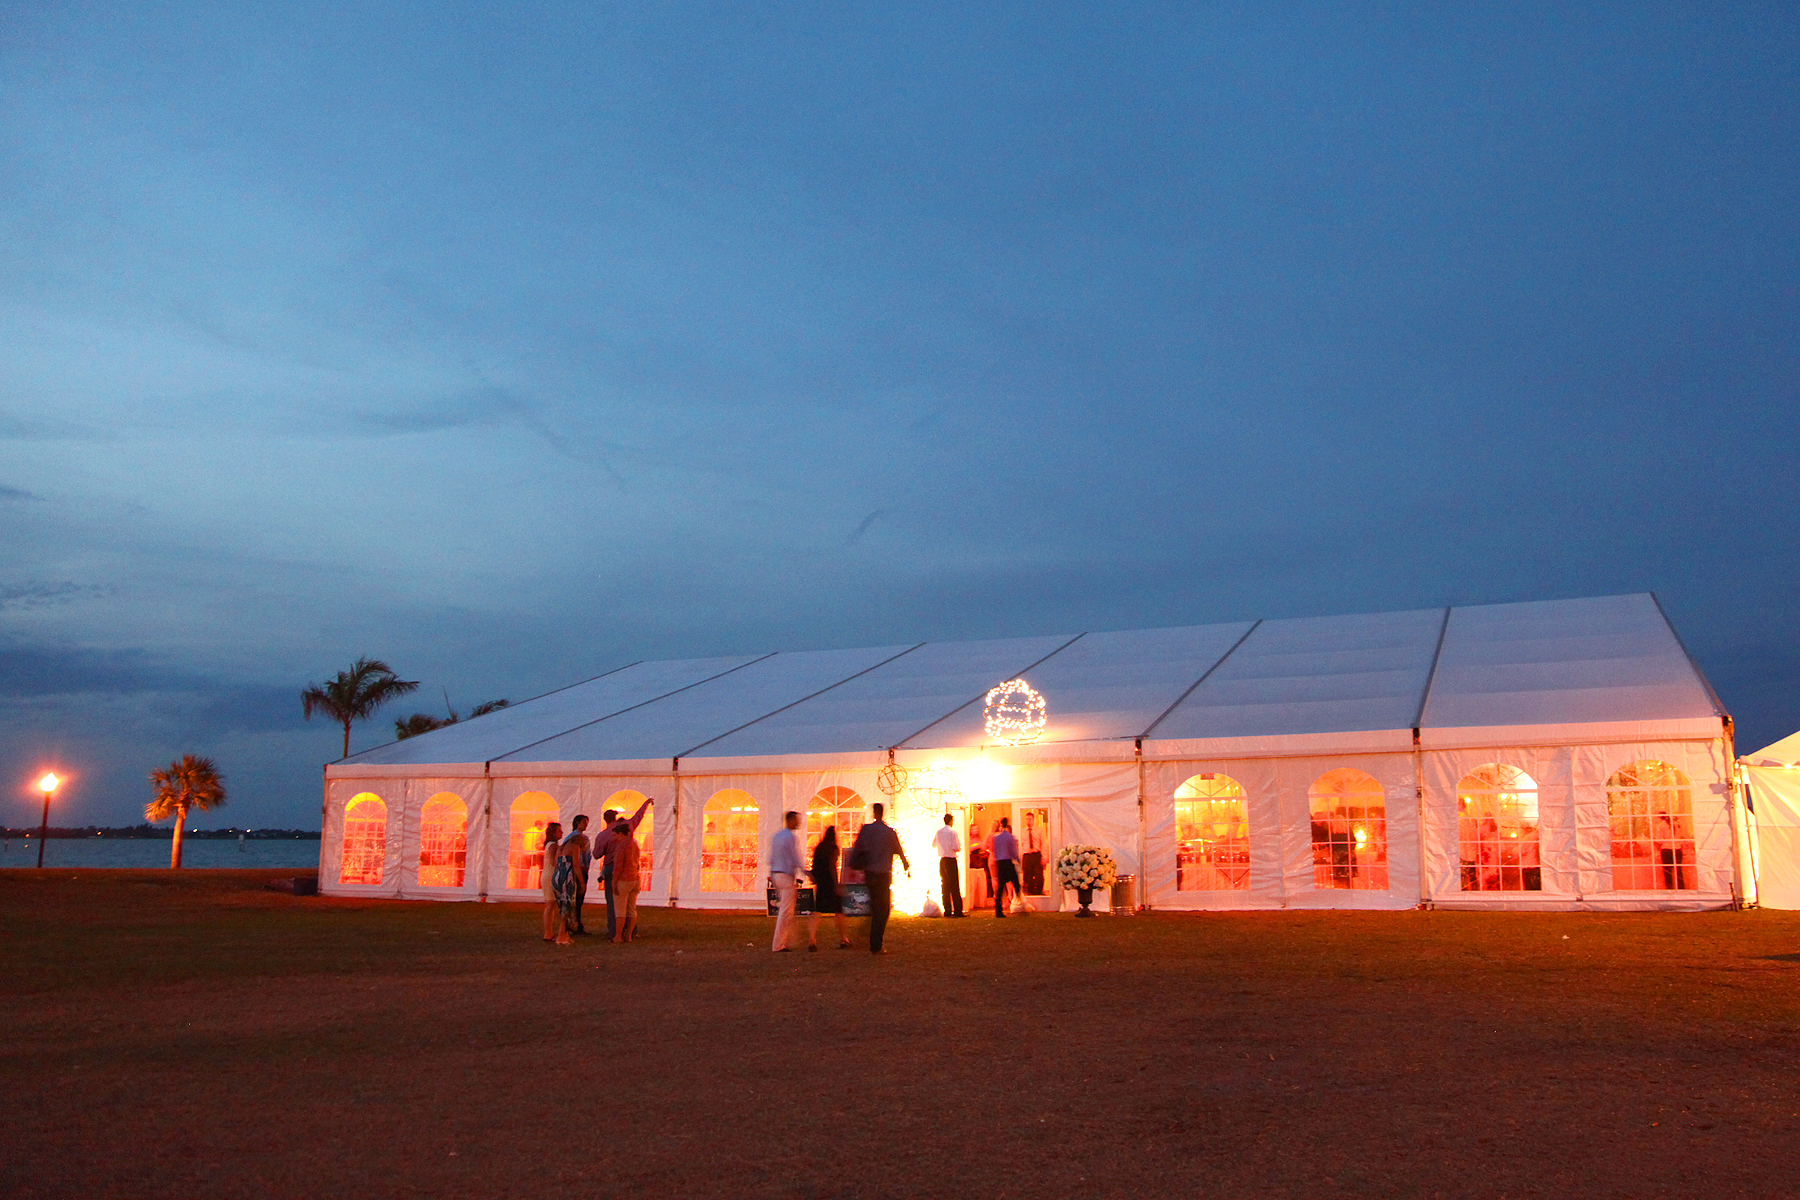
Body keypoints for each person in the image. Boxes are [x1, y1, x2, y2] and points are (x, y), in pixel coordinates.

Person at [848, 801, 909, 953]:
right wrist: (905, 864)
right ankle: (876, 943)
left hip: (870, 873)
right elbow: (899, 850)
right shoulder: (889, 832)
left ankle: (872, 937)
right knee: (883, 909)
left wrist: (855, 864)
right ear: (883, 813)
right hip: (883, 873)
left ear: (873, 813)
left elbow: (857, 848)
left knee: (876, 905)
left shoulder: (866, 830)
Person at [593, 797, 652, 939]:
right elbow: (638, 816)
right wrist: (646, 803)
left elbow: (596, 854)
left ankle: (615, 932)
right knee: (631, 904)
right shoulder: (628, 828)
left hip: (613, 867)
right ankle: (630, 931)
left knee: (614, 901)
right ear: (616, 817)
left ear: (605, 820)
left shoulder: (603, 835)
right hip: (631, 868)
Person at [808, 825, 852, 950]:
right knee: (838, 912)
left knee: (816, 911)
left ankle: (812, 940)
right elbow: (832, 866)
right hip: (830, 882)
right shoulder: (833, 848)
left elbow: (815, 865)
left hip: (821, 883)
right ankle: (844, 939)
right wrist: (836, 884)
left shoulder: (819, 848)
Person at [769, 810, 804, 952]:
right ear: (790, 821)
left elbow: (772, 857)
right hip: (785, 875)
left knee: (786, 909)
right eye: (796, 820)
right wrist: (805, 871)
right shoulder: (790, 837)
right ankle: (778, 944)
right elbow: (794, 856)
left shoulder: (777, 836)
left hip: (777, 874)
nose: (799, 822)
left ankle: (784, 940)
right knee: (786, 911)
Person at [608, 816, 645, 942]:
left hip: (624, 879)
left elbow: (618, 866)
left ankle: (618, 935)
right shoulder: (634, 845)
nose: (614, 838)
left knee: (620, 909)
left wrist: (613, 883)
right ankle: (628, 935)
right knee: (631, 908)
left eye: (615, 835)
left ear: (620, 834)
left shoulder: (621, 847)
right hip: (634, 877)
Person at [563, 815, 592, 934]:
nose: (586, 825)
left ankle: (576, 923)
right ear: (577, 823)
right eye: (584, 822)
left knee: (579, 899)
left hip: (583, 869)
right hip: (575, 869)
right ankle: (572, 924)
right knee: (574, 898)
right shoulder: (572, 838)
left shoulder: (585, 838)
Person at [933, 813, 964, 917]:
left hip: (942, 860)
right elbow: (956, 847)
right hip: (951, 859)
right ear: (951, 821)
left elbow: (934, 844)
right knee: (954, 885)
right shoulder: (952, 832)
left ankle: (947, 909)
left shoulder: (939, 832)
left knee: (945, 885)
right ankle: (958, 910)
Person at [539, 822, 565, 941]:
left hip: (547, 874)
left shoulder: (551, 844)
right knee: (550, 904)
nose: (562, 832)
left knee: (550, 904)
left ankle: (548, 931)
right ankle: (548, 933)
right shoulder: (553, 845)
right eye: (559, 831)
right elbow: (554, 862)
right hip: (550, 875)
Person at [991, 817, 1022, 917]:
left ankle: (998, 909)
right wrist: (1017, 859)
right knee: (1015, 882)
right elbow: (1013, 851)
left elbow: (995, 850)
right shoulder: (1010, 837)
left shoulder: (997, 838)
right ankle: (1019, 901)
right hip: (1007, 862)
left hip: (1000, 862)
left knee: (1000, 887)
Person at [967, 822, 991, 912]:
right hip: (972, 862)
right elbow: (968, 848)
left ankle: (980, 902)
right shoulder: (969, 839)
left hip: (980, 862)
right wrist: (977, 846)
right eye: (973, 829)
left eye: (977, 829)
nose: (975, 831)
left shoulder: (979, 839)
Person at [1021, 809, 1045, 895]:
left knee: (1039, 876)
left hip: (1036, 855)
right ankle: (1031, 892)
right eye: (1027, 819)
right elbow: (1021, 844)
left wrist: (1044, 856)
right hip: (1027, 855)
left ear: (1033, 819)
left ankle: (1039, 892)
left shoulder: (1039, 830)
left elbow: (1043, 844)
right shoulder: (1023, 831)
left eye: (1030, 819)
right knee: (1027, 876)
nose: (1028, 821)